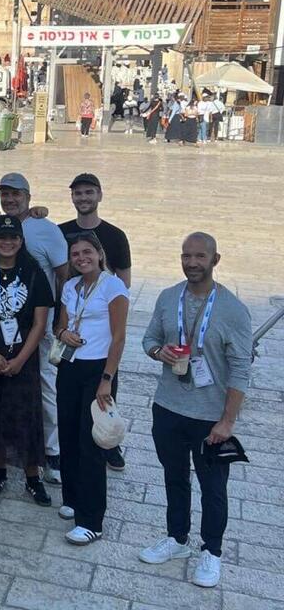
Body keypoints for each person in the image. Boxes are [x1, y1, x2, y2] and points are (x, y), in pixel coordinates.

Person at [138, 233, 252, 589]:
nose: (191, 262)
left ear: (215, 260)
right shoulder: (168, 297)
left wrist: (227, 421)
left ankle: (212, 552)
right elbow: (148, 340)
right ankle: (177, 539)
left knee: (213, 487)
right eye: (186, 255)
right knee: (174, 477)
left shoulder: (233, 309)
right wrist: (161, 353)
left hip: (209, 417)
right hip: (169, 407)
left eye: (199, 256)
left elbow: (241, 370)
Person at [0, 215, 54, 506]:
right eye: (2, 237)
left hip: (22, 350)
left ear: (21, 241)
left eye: (13, 237)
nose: (7, 242)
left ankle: (33, 476)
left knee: (26, 415)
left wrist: (20, 359)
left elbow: (40, 322)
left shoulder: (33, 272)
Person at [53, 232, 128, 545]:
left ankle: (92, 520)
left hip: (99, 370)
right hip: (70, 367)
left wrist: (107, 379)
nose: (81, 258)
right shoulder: (71, 286)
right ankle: (73, 498)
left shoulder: (113, 286)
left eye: (87, 252)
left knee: (91, 443)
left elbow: (119, 336)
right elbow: (59, 326)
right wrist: (63, 333)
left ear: (99, 253)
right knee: (68, 436)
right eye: (75, 254)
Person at [0, 172, 68, 484]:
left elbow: (63, 275)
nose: (10, 200)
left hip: (41, 320)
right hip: (7, 321)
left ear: (28, 196)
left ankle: (52, 450)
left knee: (46, 384)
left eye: (16, 194)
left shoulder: (46, 230)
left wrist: (60, 317)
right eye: (5, 195)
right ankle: (15, 445)